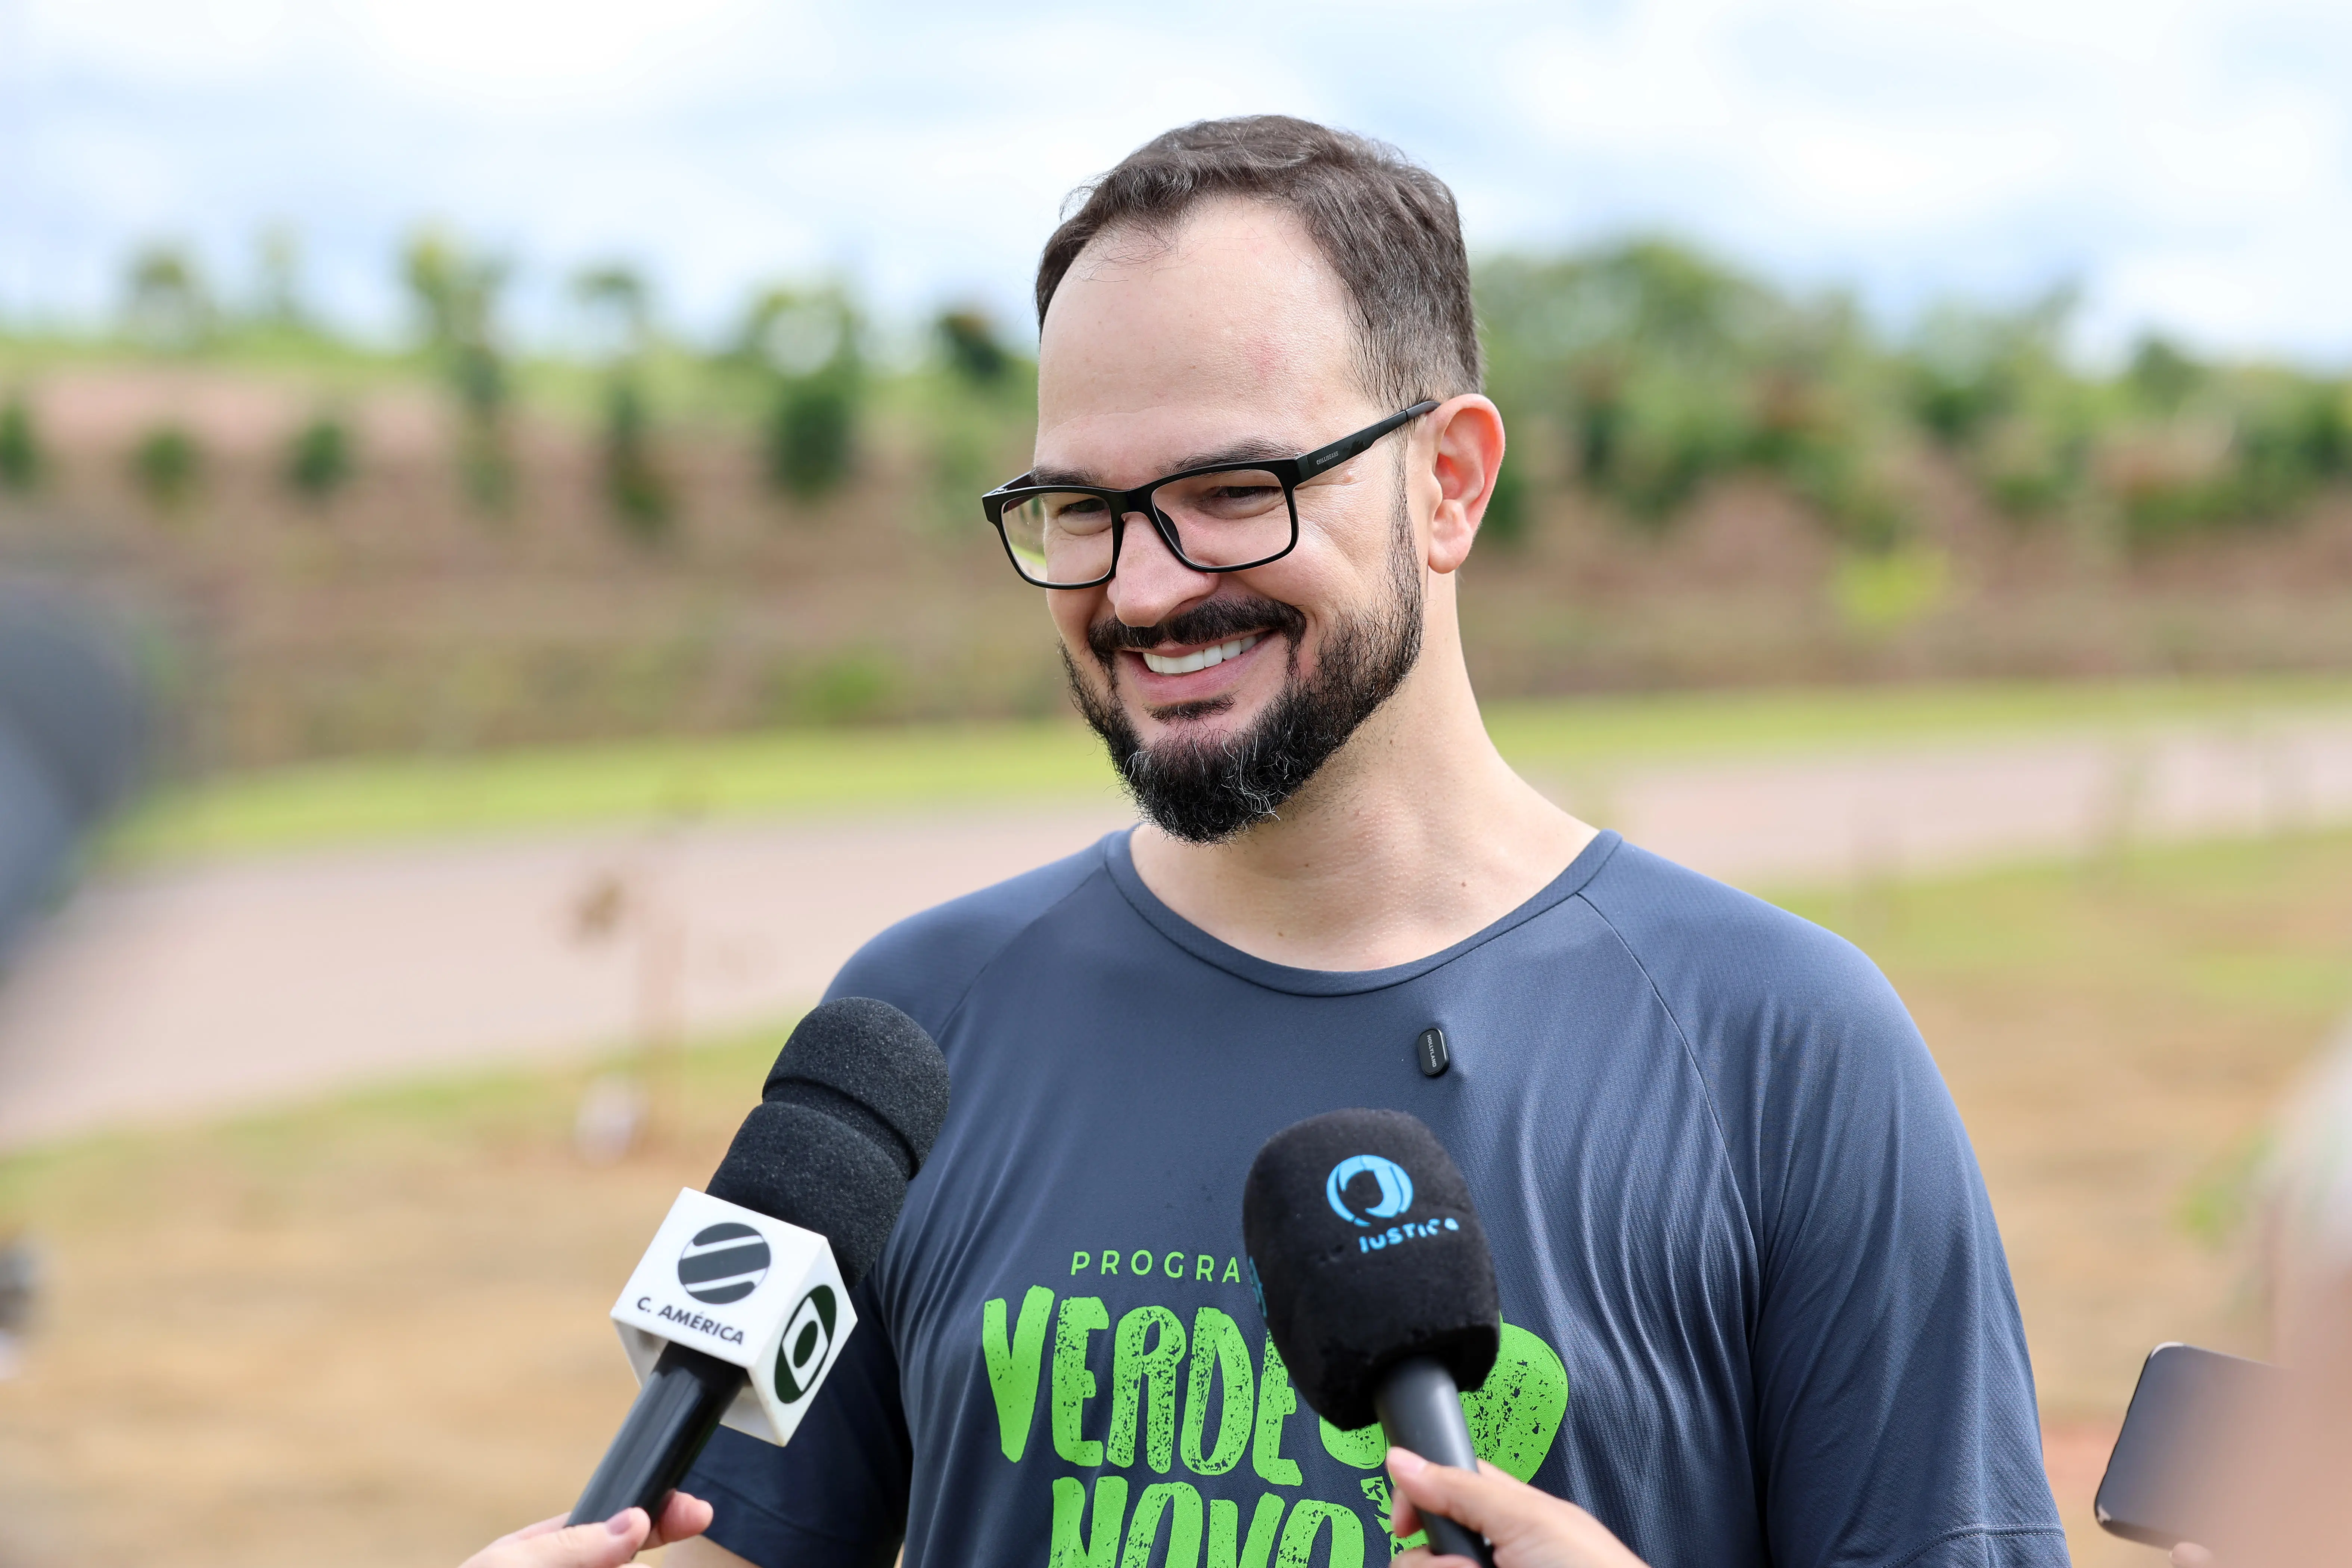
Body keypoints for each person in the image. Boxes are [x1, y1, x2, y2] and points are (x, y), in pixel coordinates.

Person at [642, 115, 2063, 1568]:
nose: (1139, 589)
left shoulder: (1784, 1055)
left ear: (1448, 482)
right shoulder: (909, 1033)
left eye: (1232, 494)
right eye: (1082, 508)